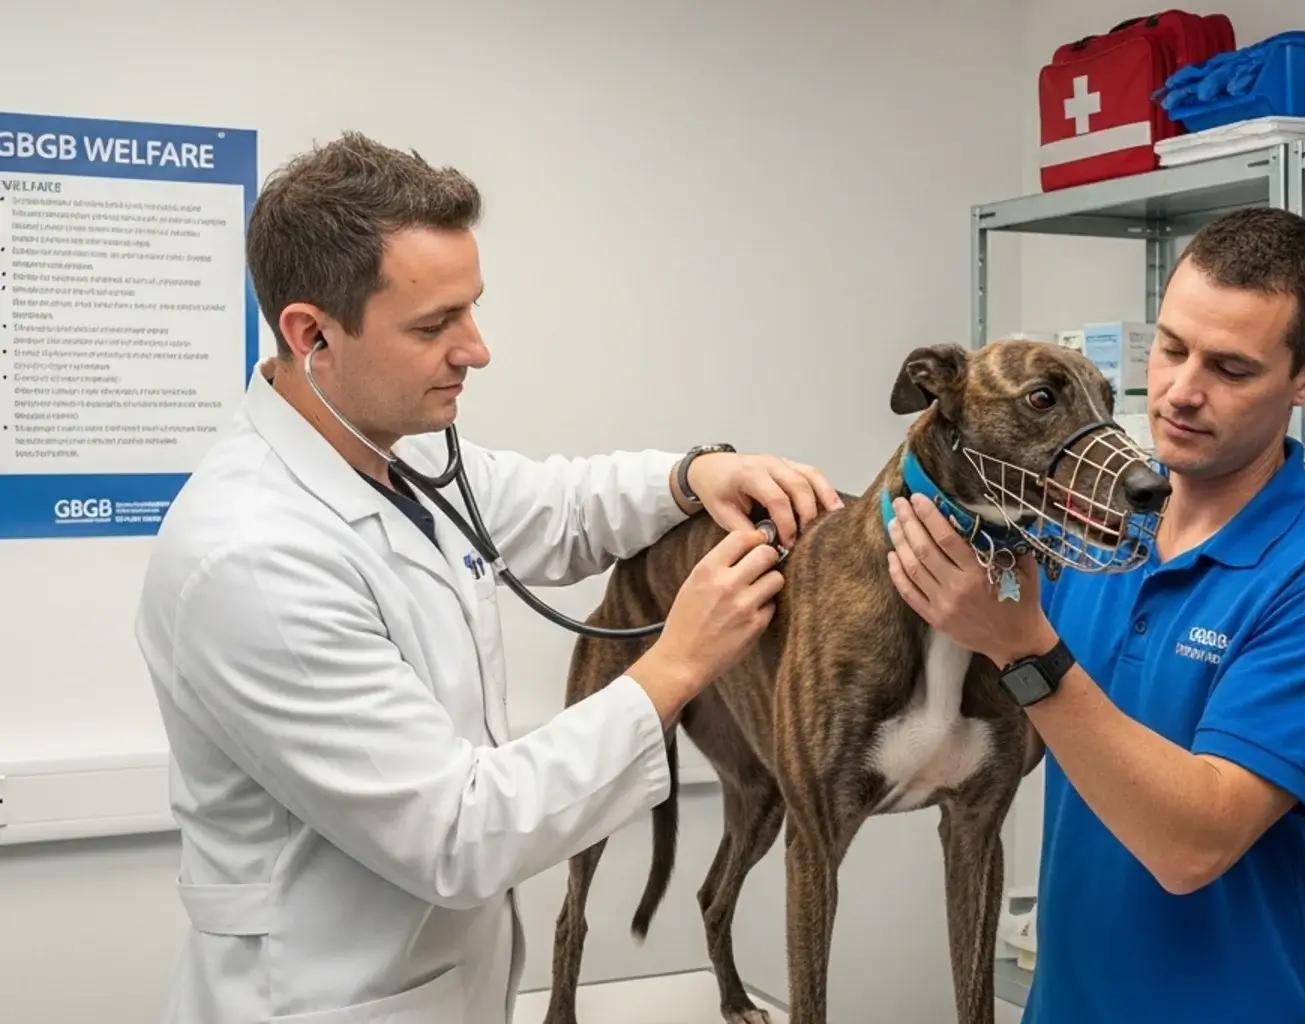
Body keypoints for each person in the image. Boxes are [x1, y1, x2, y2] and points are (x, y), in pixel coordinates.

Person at [133, 131, 842, 1024]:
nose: (477, 349)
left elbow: (561, 505)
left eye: (471, 309)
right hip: (325, 1001)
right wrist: (676, 666)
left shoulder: (387, 459)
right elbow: (459, 832)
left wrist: (692, 473)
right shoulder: (252, 560)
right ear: (311, 334)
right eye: (435, 326)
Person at [884, 207, 1305, 1023]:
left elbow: (1191, 845)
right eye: (1171, 349)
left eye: (1231, 370)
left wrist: (1023, 647)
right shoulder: (1080, 535)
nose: (1180, 393)